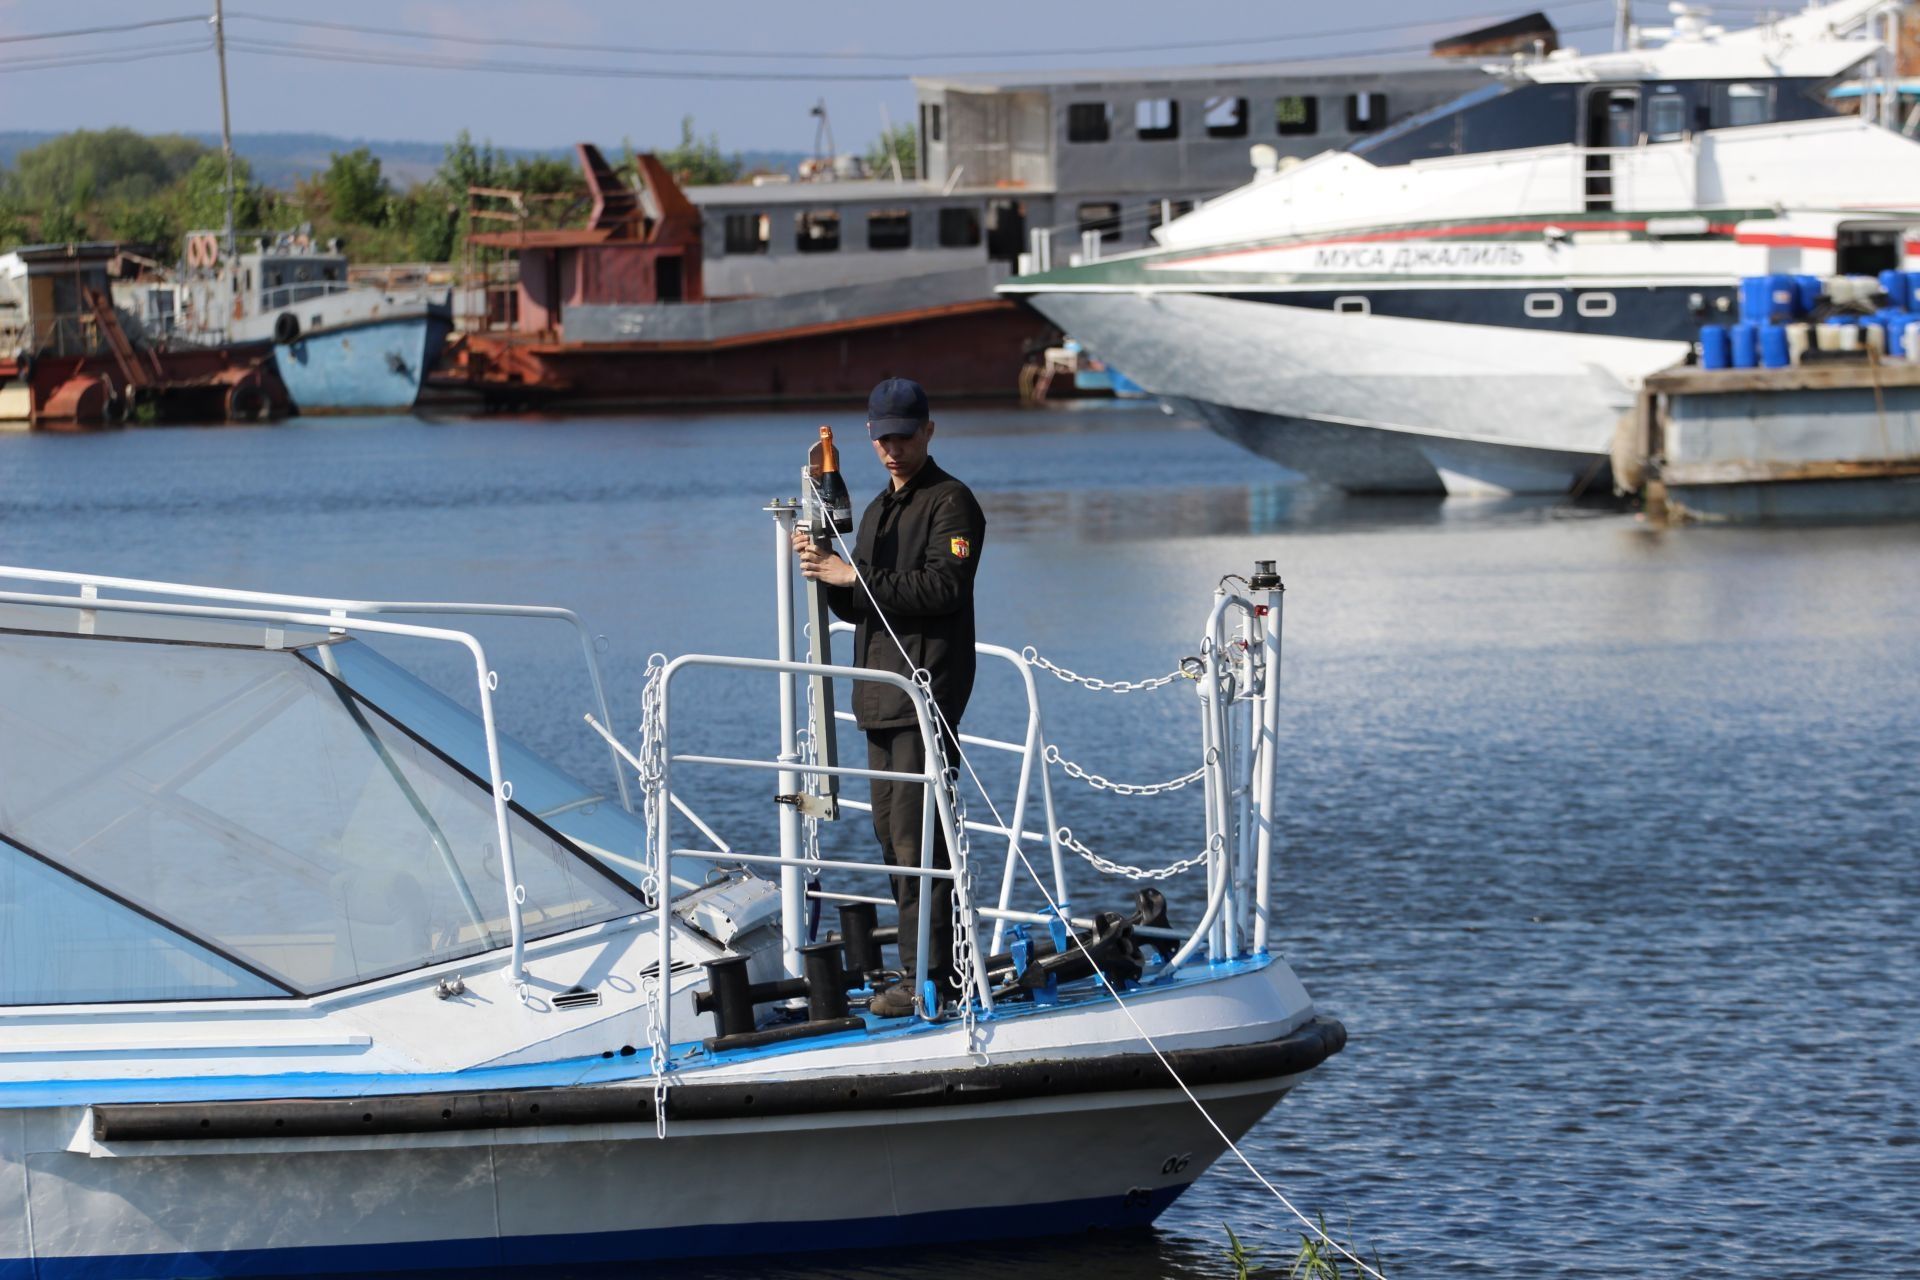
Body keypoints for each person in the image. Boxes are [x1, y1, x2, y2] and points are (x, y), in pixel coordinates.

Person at [793, 377, 986, 1018]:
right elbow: (863, 604)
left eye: (904, 435)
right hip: (879, 695)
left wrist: (857, 574)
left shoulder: (952, 503)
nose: (892, 449)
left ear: (929, 430)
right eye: (883, 438)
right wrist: (825, 571)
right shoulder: (877, 510)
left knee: (917, 840)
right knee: (892, 837)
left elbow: (942, 590)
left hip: (924, 689)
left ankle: (931, 978)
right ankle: (927, 970)